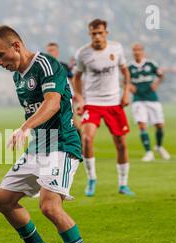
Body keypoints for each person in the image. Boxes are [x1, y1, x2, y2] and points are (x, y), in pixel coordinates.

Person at [0, 25, 96, 243]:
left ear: (16, 45)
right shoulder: (18, 76)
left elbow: (53, 103)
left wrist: (24, 128)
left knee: (49, 206)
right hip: (39, 145)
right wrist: (30, 132)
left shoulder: (46, 65)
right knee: (3, 200)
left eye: (1, 55)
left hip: (62, 145)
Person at [72, 19, 134, 197]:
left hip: (114, 103)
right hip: (92, 103)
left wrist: (126, 92)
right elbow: (77, 77)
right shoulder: (83, 53)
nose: (97, 37)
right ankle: (92, 178)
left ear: (106, 32)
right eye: (93, 33)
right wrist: (80, 99)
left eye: (100, 33)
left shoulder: (117, 49)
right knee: (86, 139)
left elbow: (125, 71)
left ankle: (123, 184)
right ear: (90, 34)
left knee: (121, 144)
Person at [129, 43, 170, 161]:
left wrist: (156, 83)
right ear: (132, 52)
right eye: (134, 50)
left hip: (152, 98)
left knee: (160, 125)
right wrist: (130, 87)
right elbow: (124, 81)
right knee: (142, 125)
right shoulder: (129, 67)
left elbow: (161, 75)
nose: (137, 52)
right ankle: (148, 152)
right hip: (138, 100)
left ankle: (159, 146)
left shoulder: (150, 64)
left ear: (143, 52)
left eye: (139, 50)